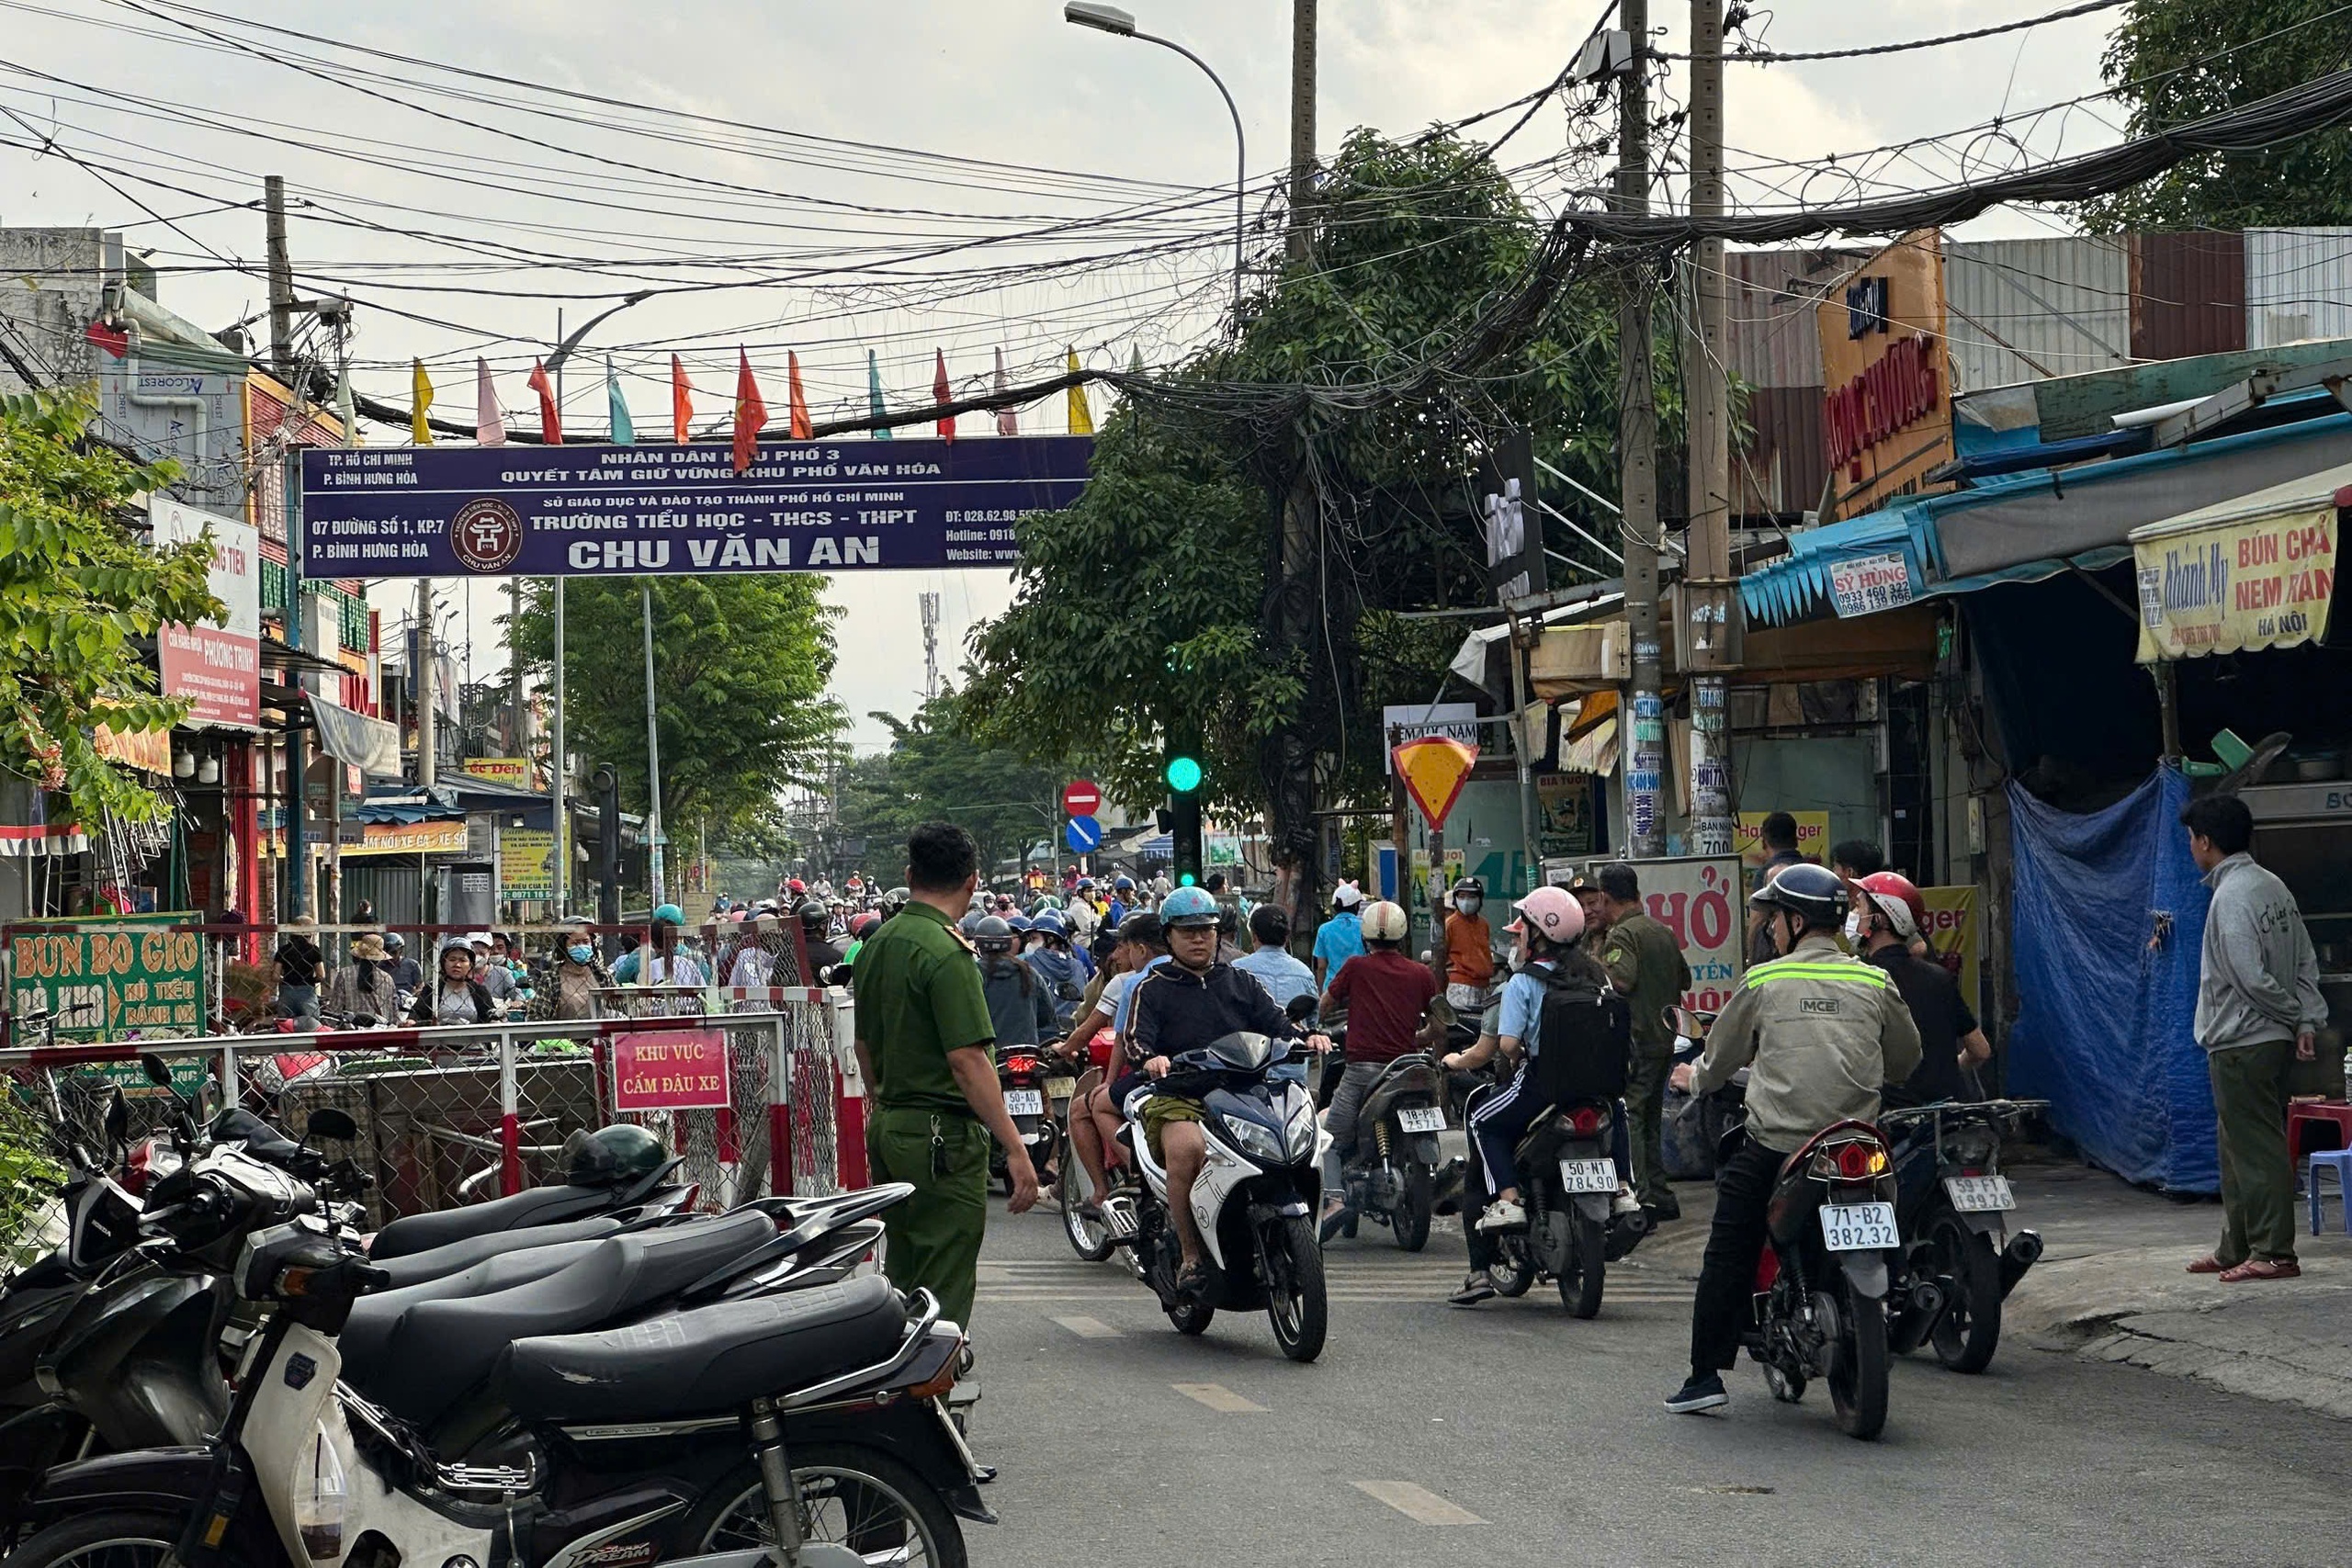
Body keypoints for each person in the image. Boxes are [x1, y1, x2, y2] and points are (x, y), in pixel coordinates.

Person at [1664, 862, 1922, 1415]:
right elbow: (1906, 1059)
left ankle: (1705, 1375)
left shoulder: (1765, 980)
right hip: (1859, 1140)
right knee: (1900, 1228)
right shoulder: (1874, 979)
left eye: (1774, 918)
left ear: (1794, 922)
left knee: (1729, 1248)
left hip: (1779, 1145)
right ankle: (1904, 1299)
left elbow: (1720, 1059)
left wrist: (1696, 1078)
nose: (1770, 928)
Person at [853, 823, 1039, 1328]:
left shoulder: (877, 945)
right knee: (942, 1284)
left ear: (910, 875)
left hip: (891, 1126)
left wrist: (891, 1109)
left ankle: (890, 1390)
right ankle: (930, 1389)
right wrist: (1017, 1149)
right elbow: (969, 1061)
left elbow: (863, 1048)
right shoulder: (947, 952)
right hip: (942, 1137)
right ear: (972, 882)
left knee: (904, 1268)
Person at [1123, 886, 1326, 1297]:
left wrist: (1310, 1037)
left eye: (1206, 930)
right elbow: (1134, 1041)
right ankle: (1192, 1256)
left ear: (1218, 934)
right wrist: (1151, 1059)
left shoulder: (1240, 981)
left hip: (1243, 1090)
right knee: (1185, 1150)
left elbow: (1279, 1024)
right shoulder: (1153, 987)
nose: (1199, 938)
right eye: (1188, 931)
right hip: (1179, 1095)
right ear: (1169, 937)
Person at [2180, 794, 2326, 1284]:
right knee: (2236, 1145)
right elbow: (2306, 961)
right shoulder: (2273, 887)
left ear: (2206, 841)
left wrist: (2293, 1016)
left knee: (2258, 1147)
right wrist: (2304, 1019)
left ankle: (2274, 1253)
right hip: (2259, 1038)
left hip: (2245, 1041)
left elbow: (2249, 976)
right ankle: (2237, 1246)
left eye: (2192, 839)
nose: (2191, 847)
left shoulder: (2233, 895)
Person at [1441, 887, 1627, 1244]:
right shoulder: (1597, 976)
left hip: (1543, 1084)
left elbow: (1508, 1046)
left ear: (1539, 933)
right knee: (1618, 1110)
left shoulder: (1523, 982)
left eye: (1525, 926)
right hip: (1598, 1084)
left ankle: (1508, 1199)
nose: (1520, 933)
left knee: (1482, 1121)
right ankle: (1622, 1188)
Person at [1319, 899, 1449, 1229]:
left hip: (1364, 1069)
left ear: (1366, 936)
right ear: (1402, 934)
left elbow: (1326, 1003)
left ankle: (1334, 1200)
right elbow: (1437, 1026)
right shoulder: (1421, 973)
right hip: (1408, 1067)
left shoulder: (1355, 967)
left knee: (1329, 1140)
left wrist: (1316, 1027)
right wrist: (1416, 1037)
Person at [1597, 863, 1692, 1221]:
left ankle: (1642, 1196)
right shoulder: (1662, 931)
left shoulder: (1622, 935)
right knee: (1651, 1117)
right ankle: (1661, 1192)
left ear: (1606, 897)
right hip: (1665, 1037)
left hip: (1636, 1041)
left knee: (1631, 1115)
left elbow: (1622, 979)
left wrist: (1595, 966)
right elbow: (1685, 978)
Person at [1851, 872, 1989, 1110]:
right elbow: (1980, 1050)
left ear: (1880, 919)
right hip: (1947, 1117)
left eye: (1859, 907)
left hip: (1892, 1120)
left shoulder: (1861, 980)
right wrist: (1946, 1068)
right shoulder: (1940, 978)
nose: (1854, 916)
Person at [1057, 913, 1165, 1213]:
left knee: (1088, 1106)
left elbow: (1117, 1037)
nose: (1119, 954)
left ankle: (1121, 1179)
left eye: (1125, 947)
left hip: (1149, 1075)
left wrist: (1108, 1082)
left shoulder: (1129, 983)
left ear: (1140, 949)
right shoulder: (1216, 974)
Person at [975, 916, 1057, 1052]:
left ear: (978, 944)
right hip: (1027, 1052)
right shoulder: (1028, 971)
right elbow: (1046, 1015)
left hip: (987, 1056)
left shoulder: (973, 973)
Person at [1747, 811, 1810, 967]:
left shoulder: (1766, 873)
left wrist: (1750, 957)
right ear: (1796, 839)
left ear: (1764, 842)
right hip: (1806, 952)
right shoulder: (1810, 870)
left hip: (1774, 958)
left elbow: (1757, 919)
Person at [1438, 877, 1497, 1013]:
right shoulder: (1450, 924)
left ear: (1479, 899)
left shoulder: (1483, 924)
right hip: (1460, 986)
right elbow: (1441, 957)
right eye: (1462, 896)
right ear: (1456, 899)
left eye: (1471, 896)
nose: (1466, 901)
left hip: (1484, 985)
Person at [411, 936, 499, 1025]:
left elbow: (490, 1016)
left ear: (470, 965)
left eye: (462, 960)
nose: (457, 965)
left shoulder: (479, 991)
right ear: (444, 962)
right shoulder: (432, 989)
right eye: (452, 960)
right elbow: (417, 1014)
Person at [324, 932, 399, 1024]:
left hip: (353, 1026)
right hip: (381, 1028)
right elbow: (394, 1012)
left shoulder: (345, 974)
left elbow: (335, 1007)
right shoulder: (387, 978)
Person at [549, 918, 614, 1020]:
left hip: (600, 1034)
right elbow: (537, 1016)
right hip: (565, 1034)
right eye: (575, 943)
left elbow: (619, 1005)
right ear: (563, 946)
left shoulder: (602, 975)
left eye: (585, 942)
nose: (581, 947)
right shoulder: (552, 979)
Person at [1311, 882, 1368, 987]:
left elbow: (1321, 967)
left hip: (1332, 988)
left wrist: (1320, 994)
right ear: (1356, 905)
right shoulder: (1365, 927)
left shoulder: (1324, 930)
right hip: (1358, 987)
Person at [273, 915, 323, 1019]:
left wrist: (286, 980)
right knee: (311, 1024)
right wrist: (310, 980)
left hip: (287, 992)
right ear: (310, 933)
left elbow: (275, 976)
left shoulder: (283, 950)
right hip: (307, 992)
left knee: (285, 1026)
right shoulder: (313, 950)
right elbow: (321, 975)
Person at [382, 931, 422, 998]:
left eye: (393, 953)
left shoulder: (412, 965)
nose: (390, 957)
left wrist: (412, 996)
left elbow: (420, 987)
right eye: (387, 954)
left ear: (400, 950)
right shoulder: (380, 966)